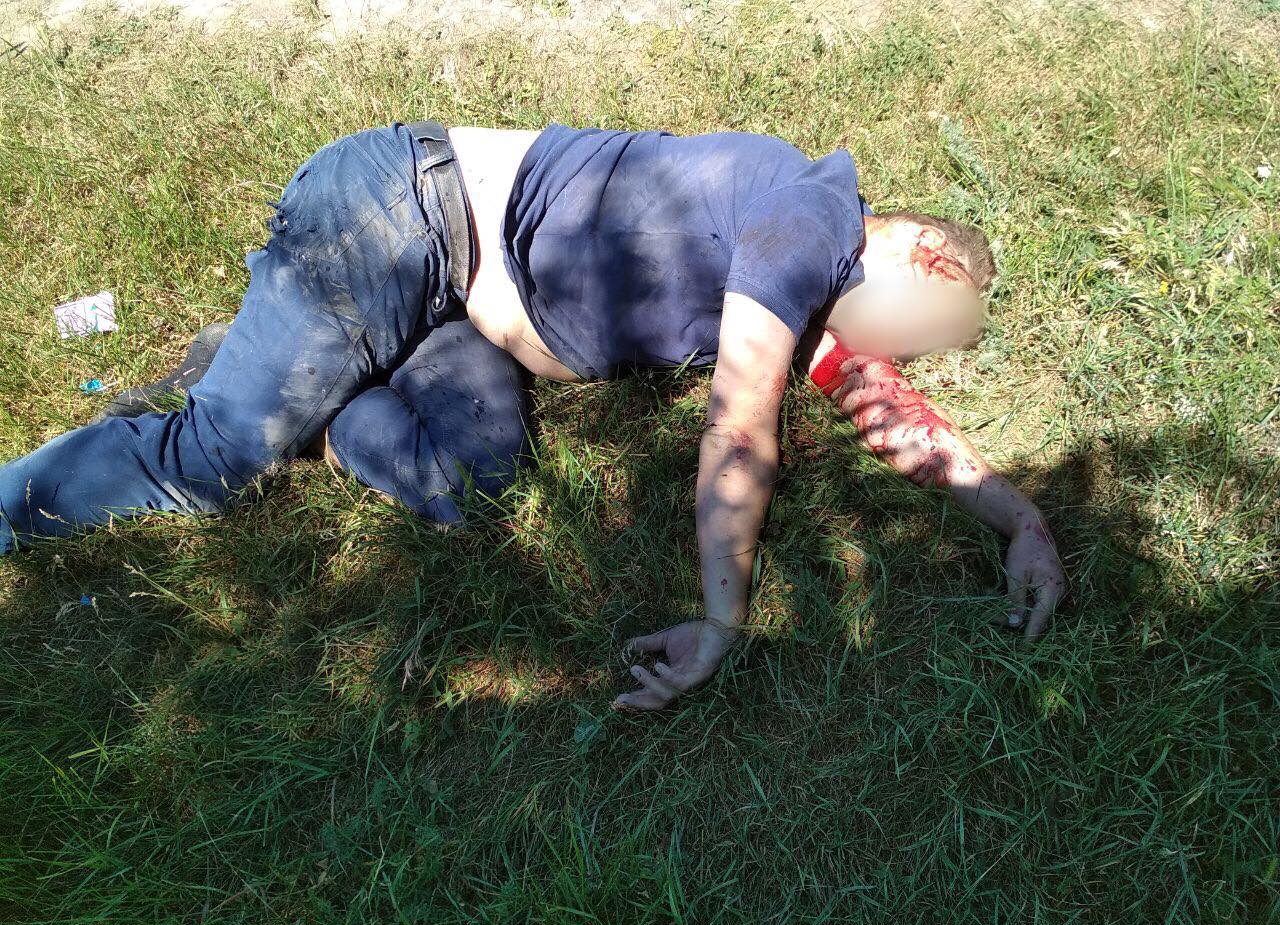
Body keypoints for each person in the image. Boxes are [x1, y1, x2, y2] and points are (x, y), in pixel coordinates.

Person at [0, 119, 1067, 711]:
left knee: (475, 484)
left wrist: (1018, 521)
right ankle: (27, 499)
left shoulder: (818, 288)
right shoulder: (810, 219)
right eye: (925, 336)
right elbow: (740, 429)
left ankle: (287, 361)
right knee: (214, 457)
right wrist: (721, 621)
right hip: (401, 217)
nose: (902, 359)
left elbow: (887, 411)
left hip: (453, 300)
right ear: (926, 257)